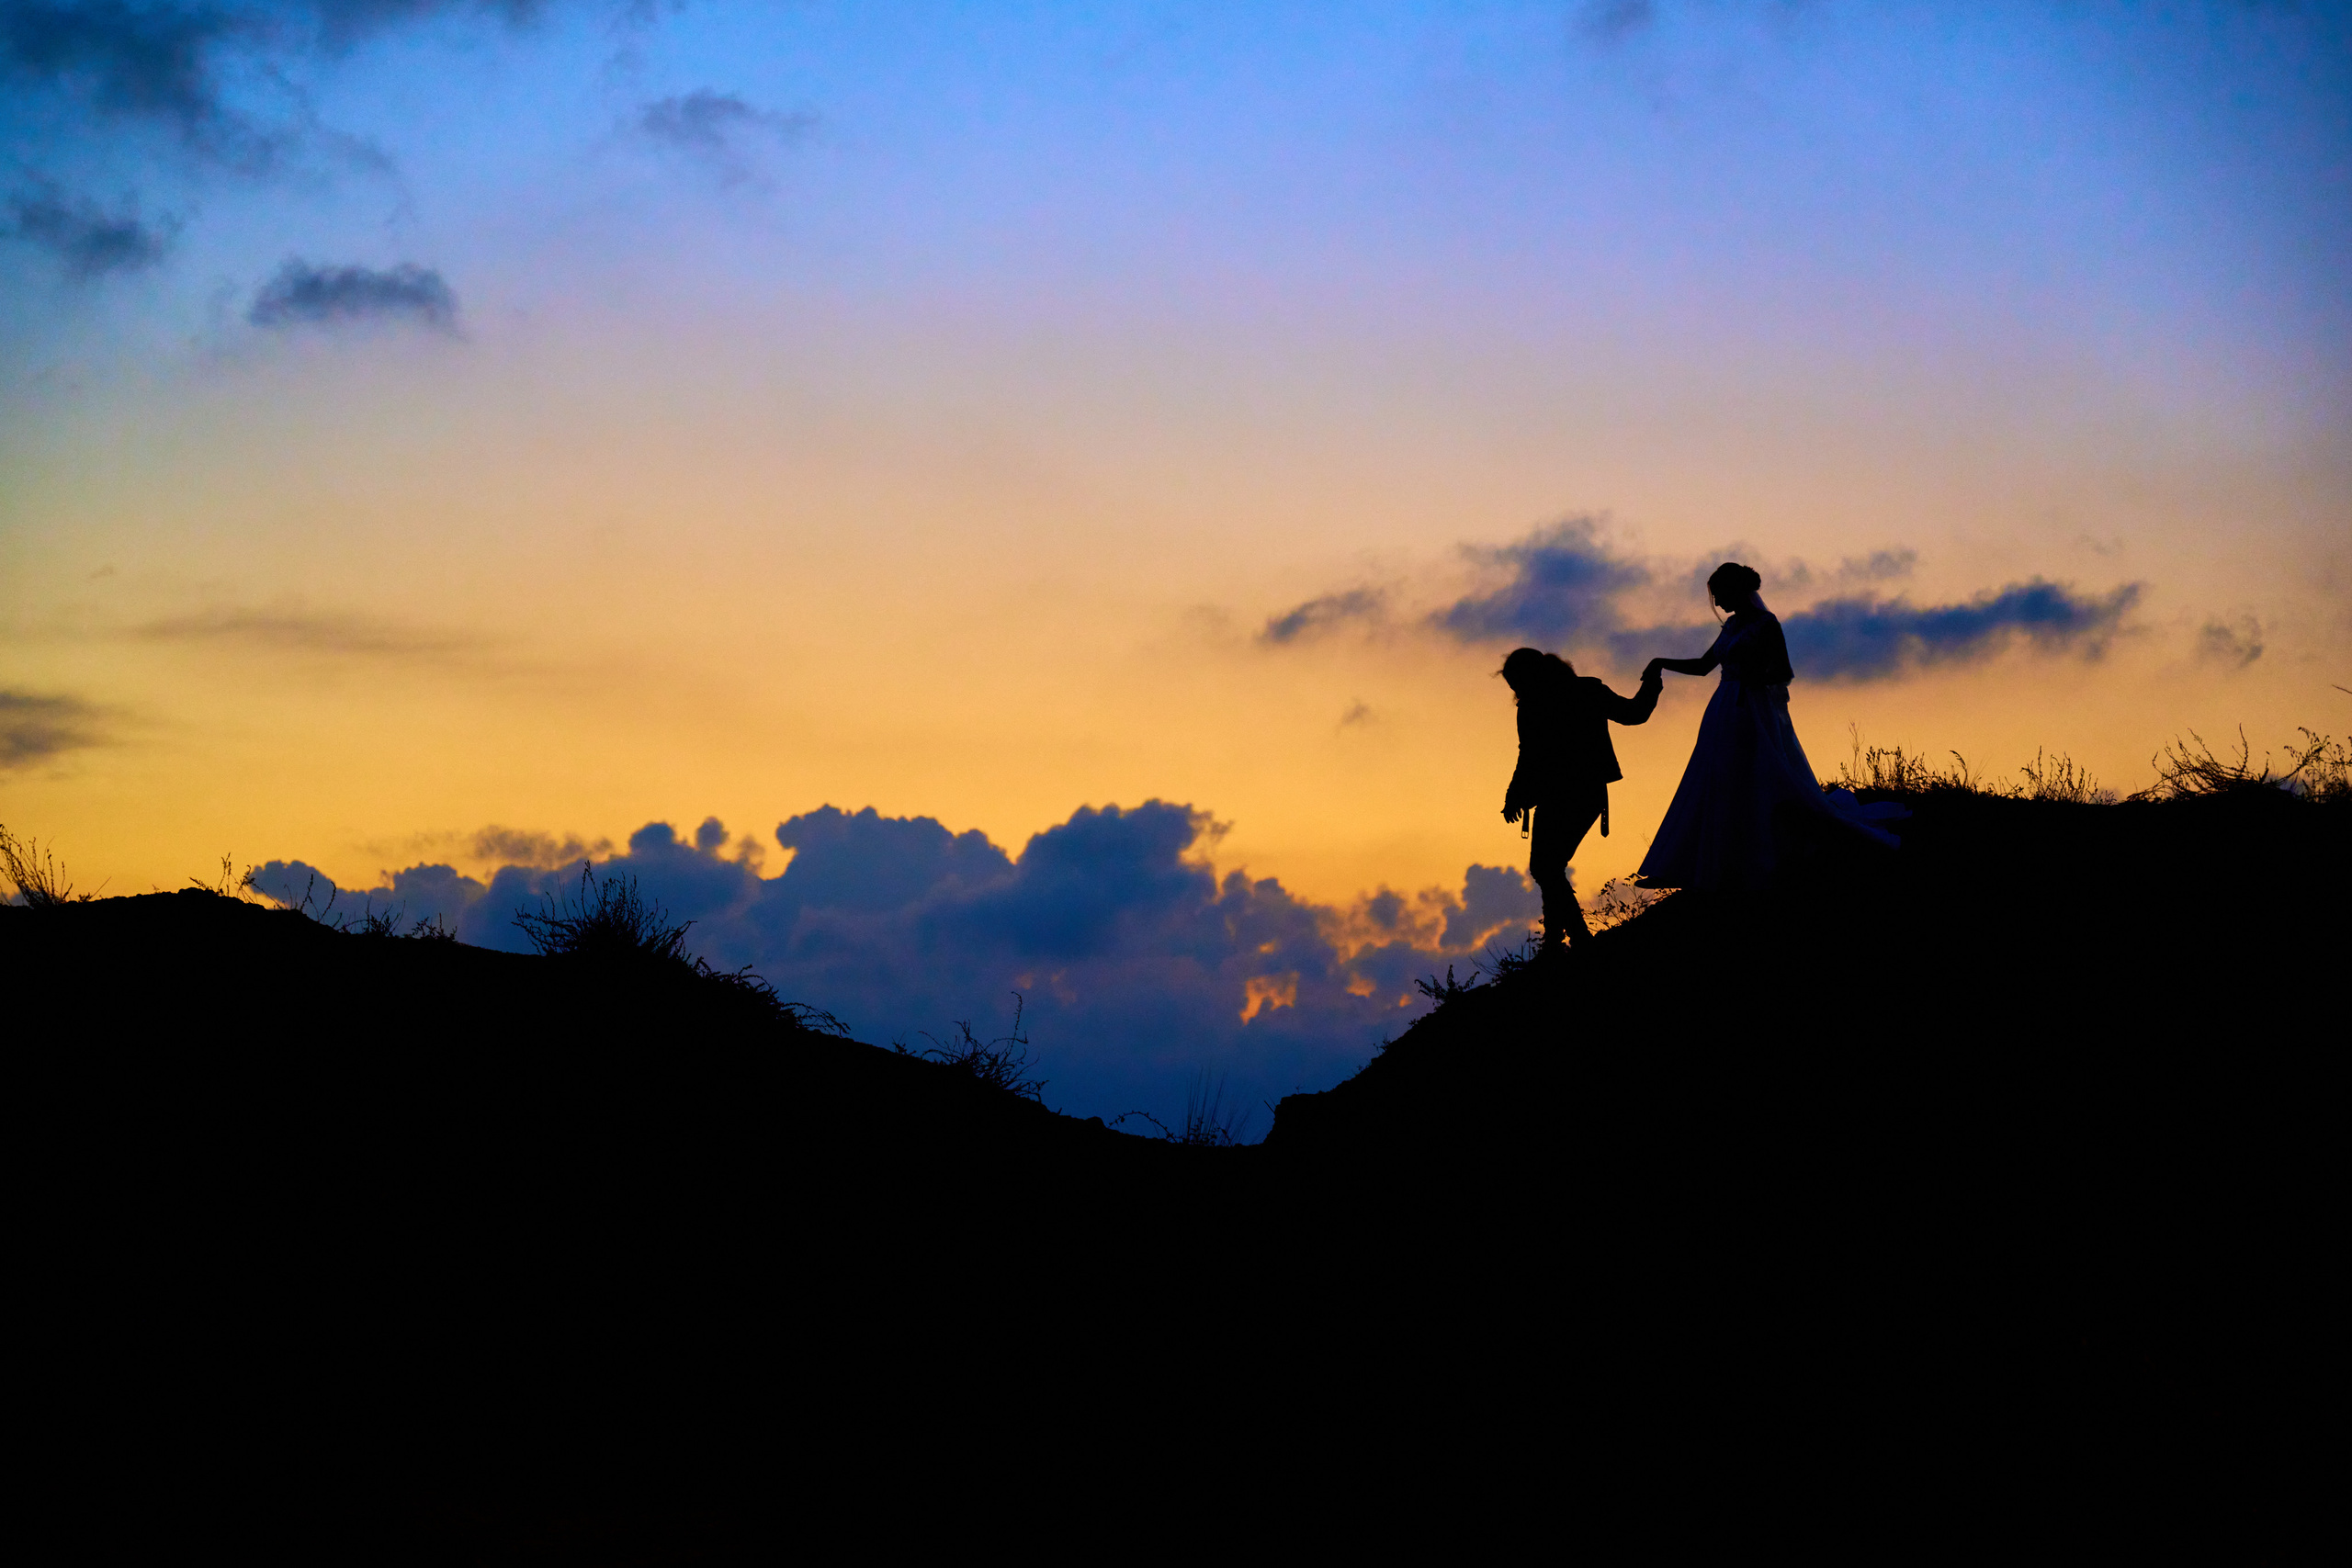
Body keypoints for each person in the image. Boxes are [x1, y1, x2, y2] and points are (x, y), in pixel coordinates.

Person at [1635, 562, 1904, 893]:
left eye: (1719, 594)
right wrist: (1662, 661)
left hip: (1753, 709)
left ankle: (1763, 852)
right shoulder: (1732, 626)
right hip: (1723, 710)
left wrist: (1753, 679)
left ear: (1734, 589)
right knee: (1719, 778)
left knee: (1756, 775)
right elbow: (1705, 666)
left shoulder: (1767, 624)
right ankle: (1722, 857)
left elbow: (1782, 672)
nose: (1717, 603)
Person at [1499, 647, 1664, 951]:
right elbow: (1634, 714)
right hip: (1570, 795)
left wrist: (1516, 796)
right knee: (1548, 867)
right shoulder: (1579, 693)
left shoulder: (1557, 700)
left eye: (1516, 683)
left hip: (1575, 794)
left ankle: (1570, 938)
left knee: (1546, 867)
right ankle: (1558, 939)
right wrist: (1515, 796)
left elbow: (1529, 757)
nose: (1515, 691)